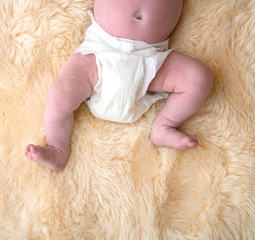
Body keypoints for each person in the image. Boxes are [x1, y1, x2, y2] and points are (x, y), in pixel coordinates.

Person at [25, 0, 213, 171]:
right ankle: (58, 148)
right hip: (100, 52)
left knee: (199, 78)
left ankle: (164, 126)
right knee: (60, 94)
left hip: (151, 59)